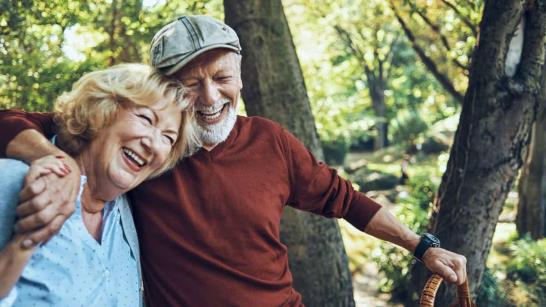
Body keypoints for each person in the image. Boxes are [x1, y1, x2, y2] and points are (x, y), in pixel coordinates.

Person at [0, 16, 467, 306]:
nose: (209, 96)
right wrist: (50, 162)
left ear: (240, 74)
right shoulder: (142, 151)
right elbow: (33, 121)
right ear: (165, 93)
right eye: (189, 83)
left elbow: (346, 200)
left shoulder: (271, 142)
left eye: (222, 77)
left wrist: (423, 246)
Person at [0, 63, 195, 306]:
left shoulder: (130, 213)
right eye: (145, 118)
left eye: (168, 138)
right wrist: (23, 243)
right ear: (101, 111)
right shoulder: (14, 181)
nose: (154, 145)